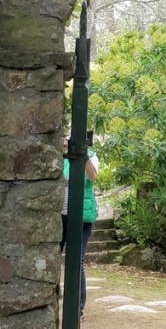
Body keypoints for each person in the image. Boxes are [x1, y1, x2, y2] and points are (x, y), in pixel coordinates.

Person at [61, 136, 99, 322]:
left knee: (77, 260)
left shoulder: (90, 155)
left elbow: (92, 176)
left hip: (81, 216)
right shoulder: (58, 157)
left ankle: (78, 307)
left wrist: (83, 157)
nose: (66, 141)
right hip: (59, 215)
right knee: (52, 256)